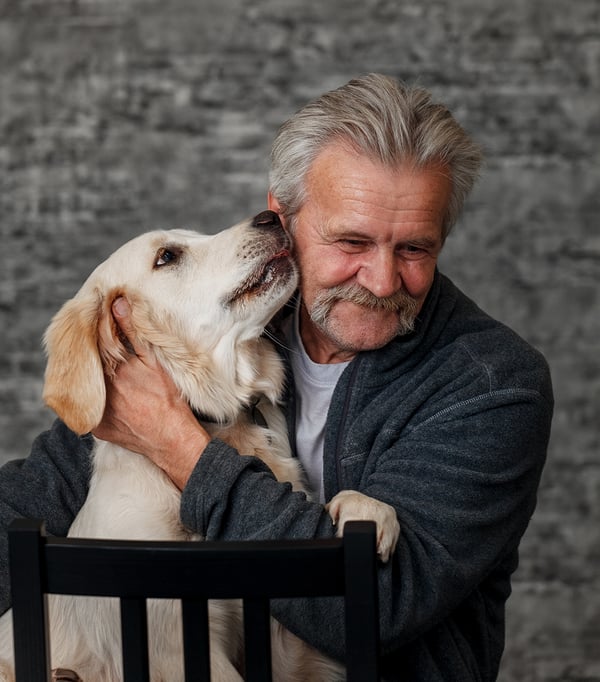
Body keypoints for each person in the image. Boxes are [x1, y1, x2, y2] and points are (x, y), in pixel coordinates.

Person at [0, 74, 553, 680]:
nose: (382, 280)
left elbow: (380, 608)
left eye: (415, 249)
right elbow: (37, 497)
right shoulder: (221, 333)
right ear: (282, 219)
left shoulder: (495, 386)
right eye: (351, 241)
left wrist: (178, 445)